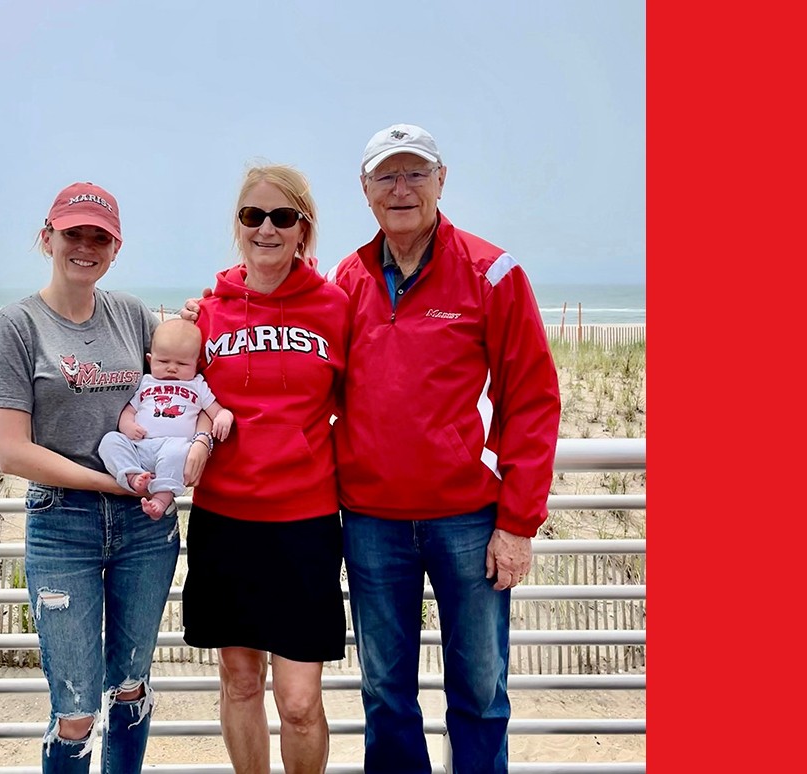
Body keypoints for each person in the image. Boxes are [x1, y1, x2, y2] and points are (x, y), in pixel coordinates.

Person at [183, 125, 561, 773]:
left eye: (416, 173)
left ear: (442, 180)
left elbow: (529, 398)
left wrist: (518, 523)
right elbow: (288, 374)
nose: (401, 188)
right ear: (364, 191)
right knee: (386, 693)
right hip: (368, 521)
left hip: (467, 519)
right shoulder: (347, 281)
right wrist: (196, 324)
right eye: (387, 176)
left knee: (479, 690)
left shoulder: (493, 273)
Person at [0, 181, 210, 774]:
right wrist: (114, 482)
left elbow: (182, 384)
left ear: (116, 247)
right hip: (64, 524)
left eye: (99, 237)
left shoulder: (131, 315)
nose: (85, 246)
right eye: (72, 233)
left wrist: (202, 438)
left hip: (144, 527)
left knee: (130, 684)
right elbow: (11, 451)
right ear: (46, 237)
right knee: (75, 706)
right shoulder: (17, 325)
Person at [180, 164, 350, 774]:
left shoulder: (336, 307)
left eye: (283, 217)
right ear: (238, 225)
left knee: (301, 701)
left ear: (304, 229)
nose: (267, 229)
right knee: (241, 682)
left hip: (304, 522)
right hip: (225, 520)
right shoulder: (209, 309)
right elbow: (172, 387)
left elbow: (365, 401)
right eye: (254, 216)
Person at [98, 318, 234, 519]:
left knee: (179, 450)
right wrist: (127, 426)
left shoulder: (197, 385)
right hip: (140, 447)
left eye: (181, 363)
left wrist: (224, 416)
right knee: (110, 440)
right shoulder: (146, 383)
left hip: (172, 449)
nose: (172, 368)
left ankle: (162, 498)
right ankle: (133, 475)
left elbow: (216, 410)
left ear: (196, 365)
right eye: (163, 362)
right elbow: (129, 410)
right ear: (149, 360)